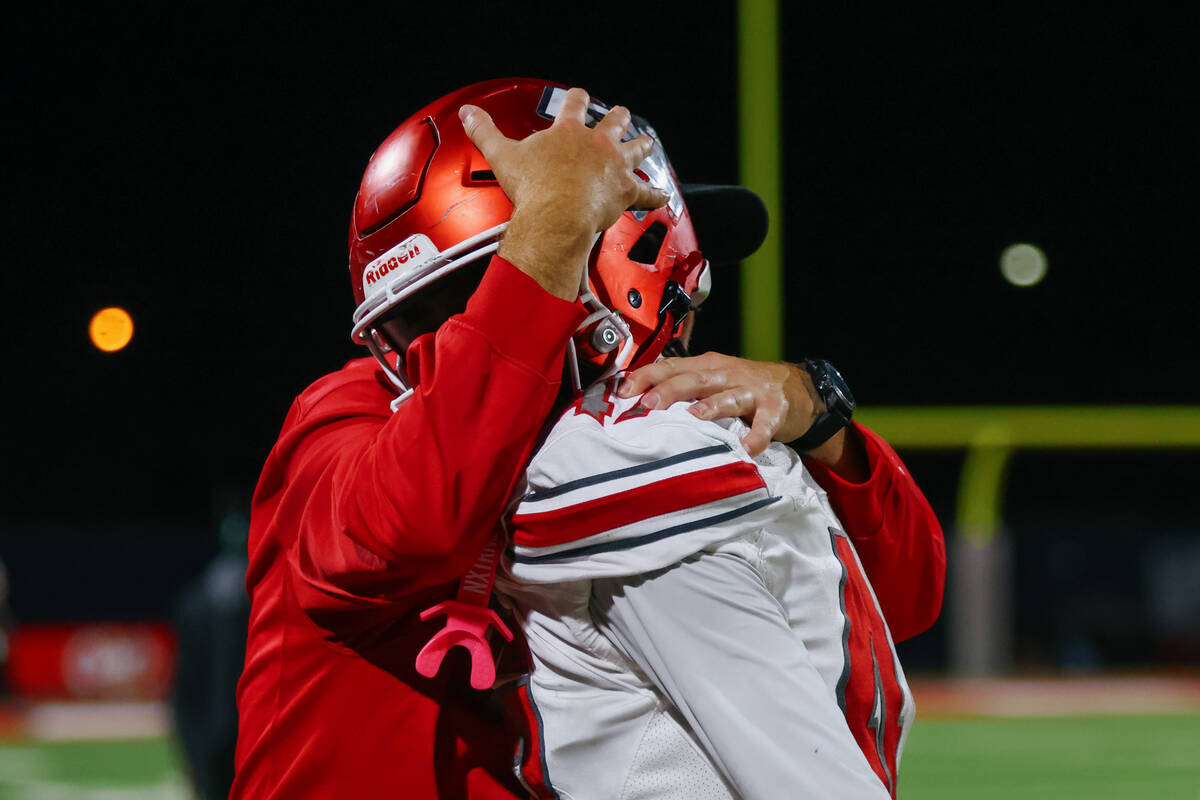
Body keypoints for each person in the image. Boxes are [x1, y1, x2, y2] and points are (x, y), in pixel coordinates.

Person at [233, 79, 943, 799]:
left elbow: (905, 596)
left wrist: (818, 415)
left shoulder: (636, 424)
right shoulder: (343, 414)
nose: (690, 304)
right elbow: (411, 527)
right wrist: (552, 229)